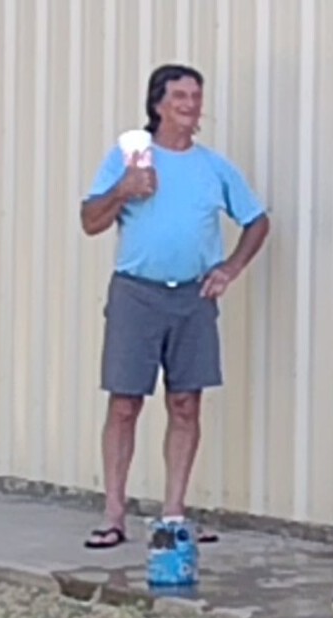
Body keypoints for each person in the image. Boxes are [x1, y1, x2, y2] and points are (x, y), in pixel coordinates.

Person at [79, 64, 269, 549]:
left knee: (185, 403)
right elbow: (90, 221)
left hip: (192, 296)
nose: (190, 105)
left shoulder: (213, 167)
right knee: (125, 403)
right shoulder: (129, 157)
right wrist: (123, 189)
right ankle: (114, 514)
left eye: (196, 96)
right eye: (180, 96)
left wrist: (230, 268)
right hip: (135, 292)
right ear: (158, 103)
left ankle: (173, 512)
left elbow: (257, 220)